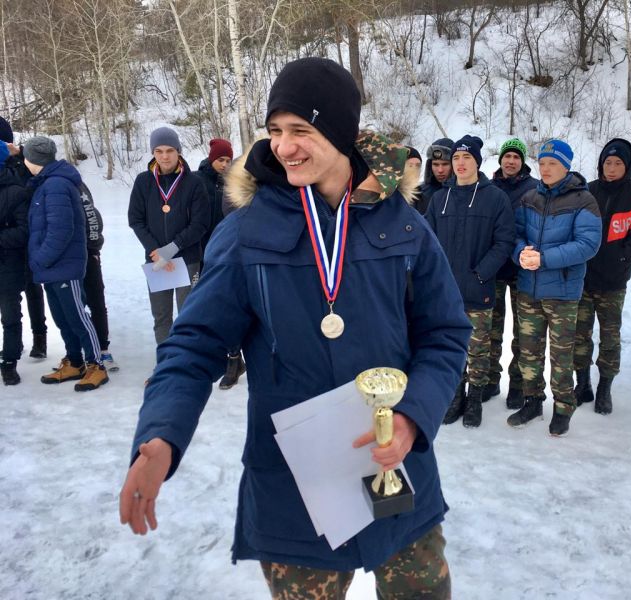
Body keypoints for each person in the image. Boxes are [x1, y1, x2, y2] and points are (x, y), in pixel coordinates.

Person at [118, 58, 471, 599]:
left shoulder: (403, 224)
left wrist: (412, 417)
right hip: (295, 490)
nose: (284, 147)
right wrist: (161, 434)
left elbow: (444, 333)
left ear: (340, 133)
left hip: (395, 469)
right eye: (275, 130)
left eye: (301, 130)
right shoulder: (246, 231)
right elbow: (194, 344)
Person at [508, 139, 601, 436]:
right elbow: (515, 234)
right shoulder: (530, 198)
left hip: (562, 292)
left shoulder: (583, 201)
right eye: (542, 163)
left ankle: (563, 407)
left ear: (566, 166)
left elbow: (587, 244)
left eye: (553, 164)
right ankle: (532, 401)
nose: (546, 169)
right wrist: (520, 253)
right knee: (528, 352)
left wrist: (544, 258)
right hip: (528, 289)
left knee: (561, 356)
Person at [426, 134, 515, 428]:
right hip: (446, 292)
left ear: (477, 161)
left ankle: (475, 397)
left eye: (466, 157)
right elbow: (427, 241)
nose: (460, 163)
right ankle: (455, 396)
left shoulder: (495, 198)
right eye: (456, 158)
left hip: (478, 288)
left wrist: (480, 273)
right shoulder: (440, 199)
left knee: (478, 348)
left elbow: (504, 241)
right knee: (451, 346)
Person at [573, 138, 631, 415]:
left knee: (609, 337)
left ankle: (605, 387)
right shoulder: (588, 191)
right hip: (584, 279)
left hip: (614, 282)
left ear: (627, 166)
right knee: (579, 334)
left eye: (618, 163)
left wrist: (621, 259)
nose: (612, 168)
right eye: (608, 162)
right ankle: (582, 383)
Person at [24, 137, 108, 391]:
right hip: (51, 267)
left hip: (63, 265)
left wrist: (41, 258)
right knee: (63, 319)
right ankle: (74, 361)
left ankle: (96, 365)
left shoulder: (57, 185)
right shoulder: (46, 182)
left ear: (34, 159)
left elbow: (61, 230)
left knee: (77, 317)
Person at [128, 127, 210, 351]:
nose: (165, 156)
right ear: (153, 153)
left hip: (187, 259)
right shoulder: (143, 181)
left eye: (170, 150)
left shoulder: (194, 183)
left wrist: (172, 248)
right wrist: (155, 250)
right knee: (162, 317)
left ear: (178, 151)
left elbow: (200, 224)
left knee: (188, 316)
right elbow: (135, 219)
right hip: (156, 260)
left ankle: (187, 362)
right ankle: (166, 363)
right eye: (159, 151)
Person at [489, 137, 538, 409]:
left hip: (523, 270)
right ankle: (490, 379)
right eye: (507, 156)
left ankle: (518, 385)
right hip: (495, 269)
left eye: (516, 157)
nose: (511, 161)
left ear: (522, 161)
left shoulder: (534, 189)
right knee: (491, 330)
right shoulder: (488, 187)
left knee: (523, 332)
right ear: (500, 160)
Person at [197, 137, 245, 389]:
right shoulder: (198, 181)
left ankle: (235, 359)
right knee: (213, 309)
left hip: (231, 249)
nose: (225, 164)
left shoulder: (237, 179)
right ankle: (225, 357)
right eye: (220, 160)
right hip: (206, 250)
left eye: (228, 159)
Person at [0, 116, 47, 359]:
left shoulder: (22, 161)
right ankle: (15, 344)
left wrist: (19, 153)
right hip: (10, 240)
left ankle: (40, 336)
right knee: (12, 294)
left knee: (32, 286)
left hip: (30, 232)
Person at [78, 181, 118, 371]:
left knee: (96, 302)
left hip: (87, 254)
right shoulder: (45, 183)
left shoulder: (76, 185)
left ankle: (102, 349)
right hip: (63, 259)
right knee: (73, 306)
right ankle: (76, 351)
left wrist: (93, 248)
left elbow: (93, 218)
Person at [0, 141, 28, 385]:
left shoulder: (15, 191)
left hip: (7, 264)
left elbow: (24, 231)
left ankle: (9, 362)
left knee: (10, 316)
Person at [416, 137, 453, 215]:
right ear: (430, 165)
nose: (440, 170)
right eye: (435, 164)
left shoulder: (465, 192)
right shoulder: (419, 193)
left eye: (445, 164)